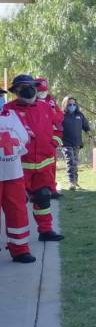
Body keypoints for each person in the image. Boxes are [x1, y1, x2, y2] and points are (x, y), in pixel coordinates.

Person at [8, 75, 64, 242]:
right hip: (19, 167)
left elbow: (58, 128)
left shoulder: (46, 107)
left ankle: (45, 231)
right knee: (17, 204)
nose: (26, 89)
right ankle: (18, 241)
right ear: (16, 91)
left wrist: (53, 143)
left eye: (29, 86)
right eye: (21, 87)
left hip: (43, 164)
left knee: (43, 197)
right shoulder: (8, 111)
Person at [0, 87, 37, 263]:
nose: (0, 99)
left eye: (0, 96)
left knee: (18, 211)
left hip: (13, 172)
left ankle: (20, 249)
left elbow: (24, 138)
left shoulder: (12, 116)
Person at [35, 77, 63, 199]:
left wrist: (55, 139)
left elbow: (59, 115)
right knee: (36, 167)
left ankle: (52, 189)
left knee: (51, 165)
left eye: (44, 90)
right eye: (40, 90)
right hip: (35, 140)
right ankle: (36, 190)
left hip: (50, 139)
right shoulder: (30, 101)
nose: (43, 93)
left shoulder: (51, 100)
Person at [60, 96, 91, 190]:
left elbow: (86, 127)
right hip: (65, 143)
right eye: (70, 104)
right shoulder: (61, 115)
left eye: (74, 104)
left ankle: (75, 181)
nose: (72, 106)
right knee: (70, 162)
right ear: (65, 105)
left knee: (75, 163)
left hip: (77, 143)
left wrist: (90, 136)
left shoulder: (80, 115)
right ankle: (71, 182)